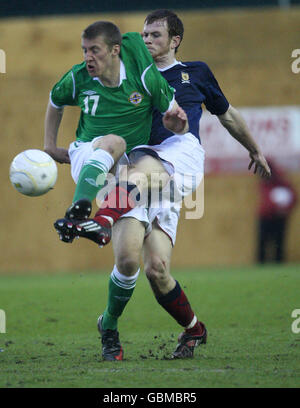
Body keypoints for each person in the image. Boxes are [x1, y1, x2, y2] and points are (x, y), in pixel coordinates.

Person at [52, 11, 271, 361]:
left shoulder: (195, 73)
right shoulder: (129, 73)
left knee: (146, 170)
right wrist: (76, 152)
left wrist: (254, 148)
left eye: (155, 35)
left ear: (175, 40)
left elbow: (227, 115)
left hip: (172, 161)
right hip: (134, 168)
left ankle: (101, 219)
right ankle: (179, 329)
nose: (147, 40)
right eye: (144, 34)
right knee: (143, 266)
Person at [44, 20, 188, 243]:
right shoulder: (77, 78)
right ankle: (78, 211)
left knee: (128, 260)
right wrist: (50, 146)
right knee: (115, 142)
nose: (87, 57)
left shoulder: (143, 77)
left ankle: (99, 228)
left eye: (95, 50)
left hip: (125, 173)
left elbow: (179, 122)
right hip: (88, 155)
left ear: (114, 50)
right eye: (84, 50)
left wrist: (178, 125)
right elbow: (55, 101)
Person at [257, 158, 297, 263]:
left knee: (278, 243)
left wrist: (284, 210)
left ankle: (278, 264)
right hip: (266, 218)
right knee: (263, 244)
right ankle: (261, 265)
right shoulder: (265, 184)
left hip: (278, 218)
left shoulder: (280, 183)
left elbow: (293, 198)